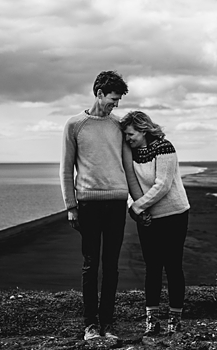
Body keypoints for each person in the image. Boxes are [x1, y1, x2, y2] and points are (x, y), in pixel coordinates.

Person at [60, 70, 135, 342]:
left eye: (118, 100)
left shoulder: (118, 126)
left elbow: (127, 167)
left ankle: (108, 324)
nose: (116, 104)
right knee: (91, 265)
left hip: (116, 204)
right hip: (88, 205)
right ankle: (90, 326)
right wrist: (71, 205)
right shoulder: (74, 125)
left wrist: (137, 202)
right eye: (113, 99)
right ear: (99, 93)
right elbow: (66, 168)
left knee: (112, 266)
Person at [121, 109, 191, 337]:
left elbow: (163, 184)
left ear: (143, 129)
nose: (128, 138)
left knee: (172, 266)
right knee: (152, 268)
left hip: (174, 215)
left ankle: (175, 319)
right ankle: (151, 320)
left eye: (130, 134)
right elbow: (133, 183)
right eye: (126, 135)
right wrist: (140, 210)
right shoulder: (131, 153)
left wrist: (137, 207)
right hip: (148, 217)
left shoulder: (164, 147)